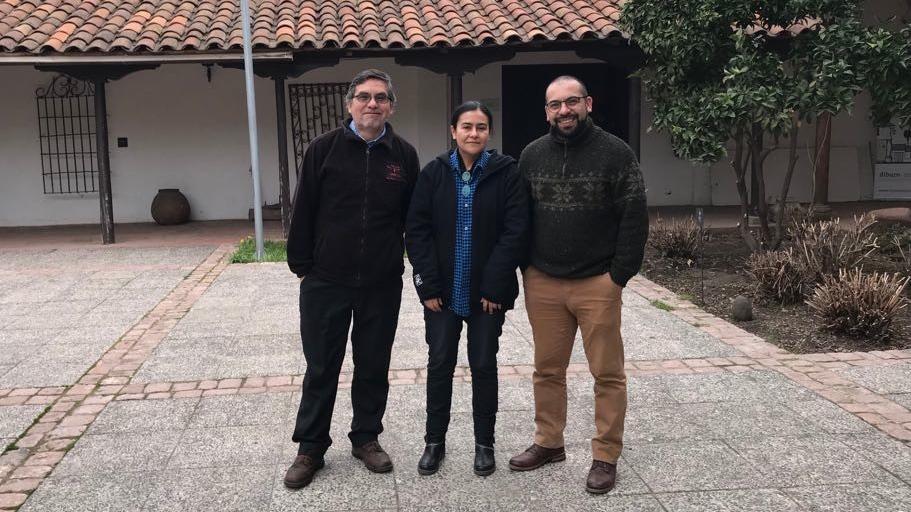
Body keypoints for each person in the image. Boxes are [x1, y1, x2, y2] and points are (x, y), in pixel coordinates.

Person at [507, 76, 648, 494]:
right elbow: (520, 217)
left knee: (607, 373)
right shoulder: (531, 155)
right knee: (547, 370)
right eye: (555, 105)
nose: (564, 110)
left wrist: (618, 275)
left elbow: (635, 214)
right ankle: (549, 442)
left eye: (571, 102)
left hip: (596, 282)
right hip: (544, 281)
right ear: (546, 111)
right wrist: (526, 270)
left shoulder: (616, 153)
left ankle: (605, 455)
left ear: (588, 102)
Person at [283, 69, 420, 489]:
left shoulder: (403, 155)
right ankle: (310, 447)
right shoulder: (322, 150)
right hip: (326, 279)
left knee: (373, 363)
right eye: (363, 97)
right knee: (322, 365)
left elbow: (412, 219)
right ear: (349, 104)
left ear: (391, 106)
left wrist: (411, 266)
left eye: (381, 97)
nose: (372, 104)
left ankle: (366, 437)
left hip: (381, 280)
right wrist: (303, 265)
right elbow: (303, 208)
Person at [406, 101, 529, 477]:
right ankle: (434, 442)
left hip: (486, 296)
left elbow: (516, 231)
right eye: (466, 126)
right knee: (440, 363)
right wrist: (425, 283)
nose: (473, 133)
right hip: (441, 294)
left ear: (488, 132)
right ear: (453, 131)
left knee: (482, 364)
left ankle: (484, 444)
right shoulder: (434, 174)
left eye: (480, 127)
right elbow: (417, 230)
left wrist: (495, 284)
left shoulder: (507, 174)